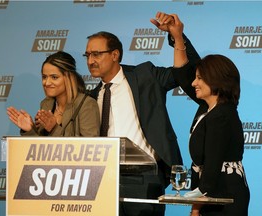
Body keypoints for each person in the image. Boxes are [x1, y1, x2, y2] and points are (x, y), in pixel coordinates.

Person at [84, 12, 200, 216]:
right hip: (104, 177)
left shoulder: (145, 76)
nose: (91, 61)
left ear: (115, 54)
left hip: (144, 177)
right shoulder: (90, 97)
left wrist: (178, 37)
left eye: (96, 54)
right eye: (88, 56)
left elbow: (186, 74)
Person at [173, 47, 250, 214]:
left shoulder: (221, 115)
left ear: (215, 79)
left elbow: (212, 163)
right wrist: (177, 38)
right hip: (210, 196)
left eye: (199, 78)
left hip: (224, 198)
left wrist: (195, 202)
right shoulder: (207, 109)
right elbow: (182, 75)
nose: (193, 83)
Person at [7, 51, 100, 137]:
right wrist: (30, 130)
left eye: (54, 77)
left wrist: (54, 128)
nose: (47, 83)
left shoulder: (87, 105)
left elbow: (89, 149)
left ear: (69, 78)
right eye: (44, 77)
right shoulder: (46, 104)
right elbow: (41, 148)